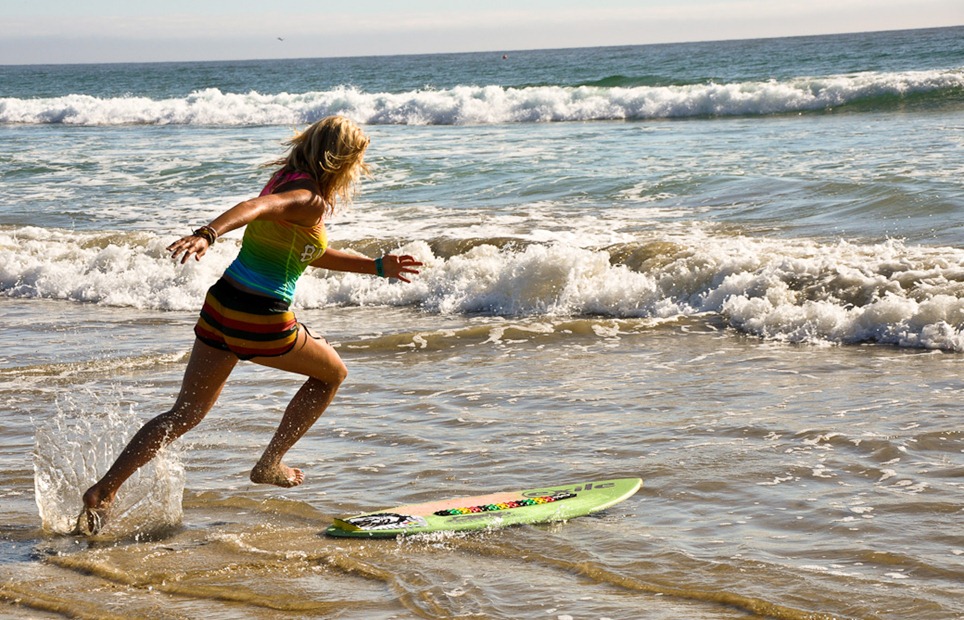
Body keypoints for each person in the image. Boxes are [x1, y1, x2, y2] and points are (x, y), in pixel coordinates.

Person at [76, 116, 422, 535]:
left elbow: (306, 250)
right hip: (261, 316)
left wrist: (375, 267)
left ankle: (104, 490)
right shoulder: (309, 197)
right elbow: (253, 209)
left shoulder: (285, 179)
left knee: (183, 414)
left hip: (221, 308)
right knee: (332, 374)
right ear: (343, 161)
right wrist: (208, 233)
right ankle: (270, 462)